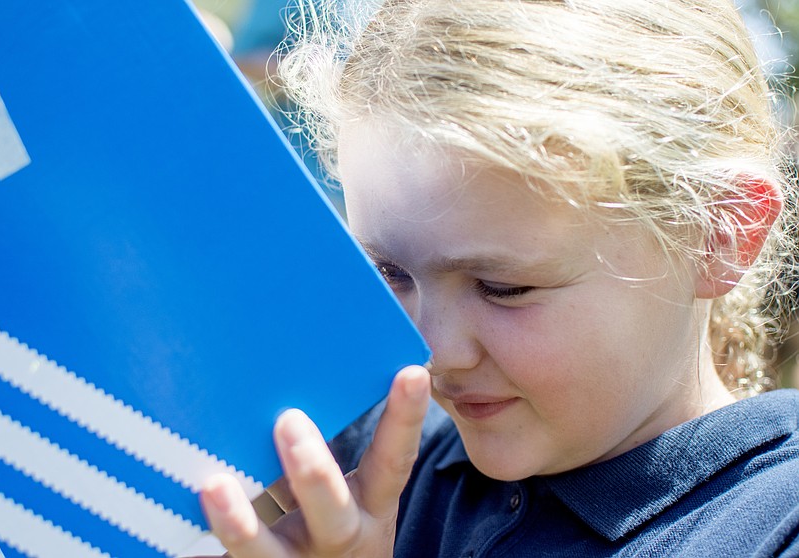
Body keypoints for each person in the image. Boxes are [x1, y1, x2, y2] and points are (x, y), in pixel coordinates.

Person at [199, 0, 799, 555]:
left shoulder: (771, 526)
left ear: (719, 235)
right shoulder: (370, 463)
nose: (433, 353)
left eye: (503, 287)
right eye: (390, 274)